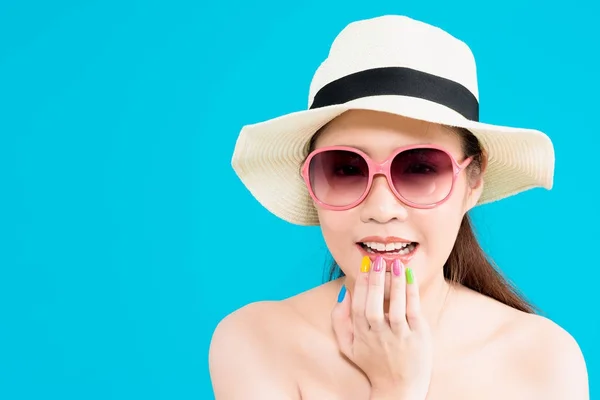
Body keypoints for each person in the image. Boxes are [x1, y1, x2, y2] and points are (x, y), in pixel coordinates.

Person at [208, 15, 589, 400]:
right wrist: (396, 388)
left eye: (420, 167)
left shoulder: (543, 360)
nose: (382, 208)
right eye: (346, 168)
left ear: (473, 182)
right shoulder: (256, 342)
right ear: (311, 183)